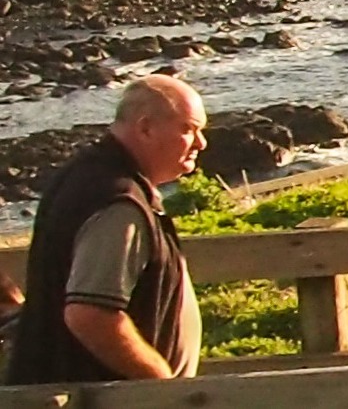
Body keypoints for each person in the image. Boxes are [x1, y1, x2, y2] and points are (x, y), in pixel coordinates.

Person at [6, 75, 206, 384]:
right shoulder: (118, 201)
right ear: (145, 128)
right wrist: (163, 386)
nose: (201, 143)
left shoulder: (83, 176)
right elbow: (90, 314)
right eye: (188, 128)